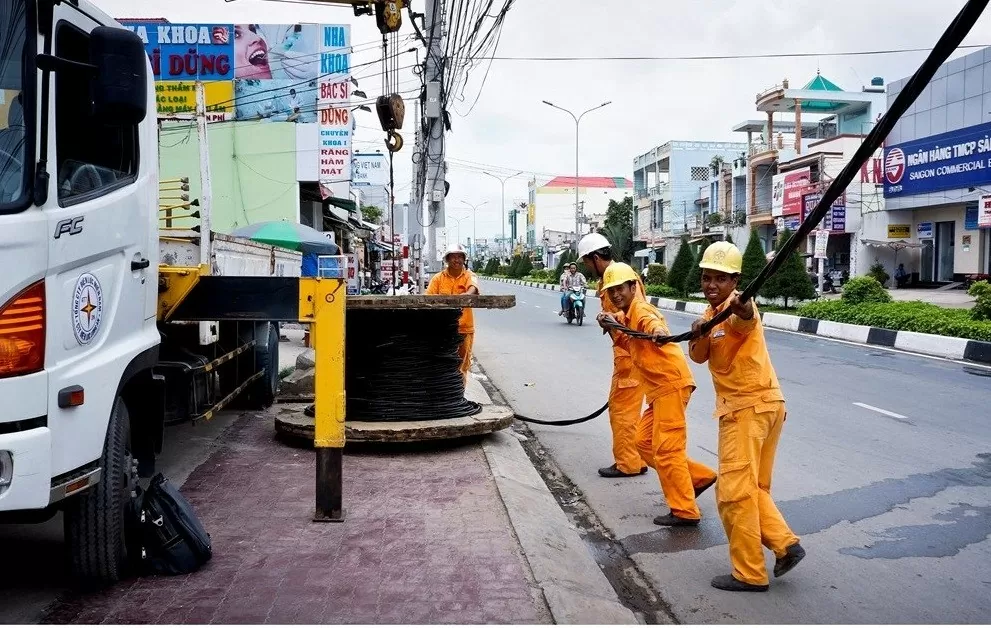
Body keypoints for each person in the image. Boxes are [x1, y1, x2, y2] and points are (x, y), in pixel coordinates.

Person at [688, 241, 804, 593]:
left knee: (733, 494)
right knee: (753, 488)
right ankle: (786, 545)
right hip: (767, 407)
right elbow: (698, 356)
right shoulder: (711, 316)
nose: (711, 285)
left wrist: (742, 309)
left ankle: (750, 573)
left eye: (720, 279)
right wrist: (699, 332)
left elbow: (746, 318)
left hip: (748, 411)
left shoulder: (737, 308)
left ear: (735, 280)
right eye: (707, 277)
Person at [598, 262, 717, 526]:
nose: (616, 295)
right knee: (643, 443)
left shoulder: (640, 310)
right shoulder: (626, 316)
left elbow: (652, 324)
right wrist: (609, 323)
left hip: (670, 386)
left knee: (668, 449)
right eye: (611, 291)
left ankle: (685, 510)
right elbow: (629, 340)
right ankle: (697, 478)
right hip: (659, 391)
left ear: (633, 287)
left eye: (621, 289)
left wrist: (659, 333)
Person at [578, 233, 648, 479]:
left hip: (630, 355)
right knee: (625, 411)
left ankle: (628, 463)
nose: (587, 268)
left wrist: (610, 320)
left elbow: (637, 312)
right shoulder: (612, 277)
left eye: (587, 263)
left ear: (595, 258)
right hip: (626, 353)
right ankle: (636, 458)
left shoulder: (621, 275)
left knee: (622, 412)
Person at [426, 244, 480, 384]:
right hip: (443, 329)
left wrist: (465, 295)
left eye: (460, 257)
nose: (457, 260)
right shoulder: (438, 278)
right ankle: (444, 396)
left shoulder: (469, 276)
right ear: (447, 260)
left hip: (464, 328)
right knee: (442, 363)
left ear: (464, 259)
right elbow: (428, 299)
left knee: (462, 364)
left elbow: (472, 288)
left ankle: (458, 398)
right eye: (453, 257)